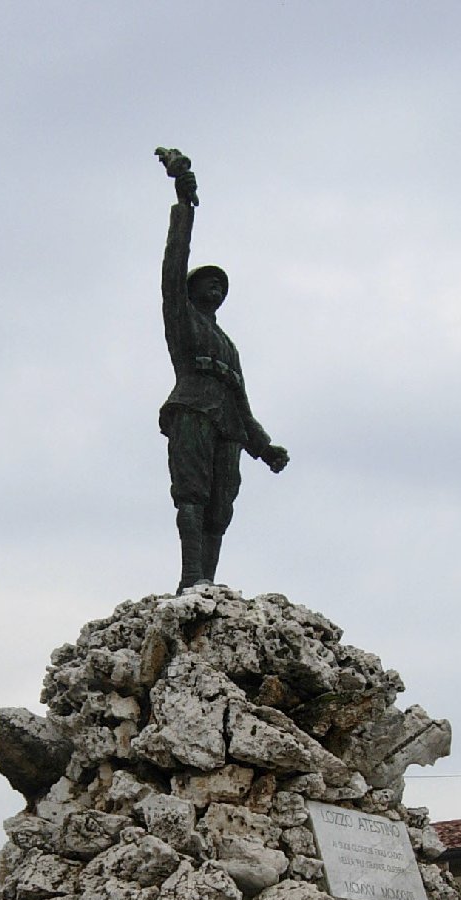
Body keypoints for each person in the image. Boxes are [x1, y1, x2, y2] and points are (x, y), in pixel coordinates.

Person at [156, 149, 289, 593]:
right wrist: (183, 204)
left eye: (222, 283)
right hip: (192, 409)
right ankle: (191, 577)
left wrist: (265, 448)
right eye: (208, 280)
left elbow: (242, 405)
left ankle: (207, 582)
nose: (217, 285)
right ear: (192, 290)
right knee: (191, 495)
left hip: (228, 426)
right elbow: (173, 263)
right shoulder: (182, 317)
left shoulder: (229, 347)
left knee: (219, 508)